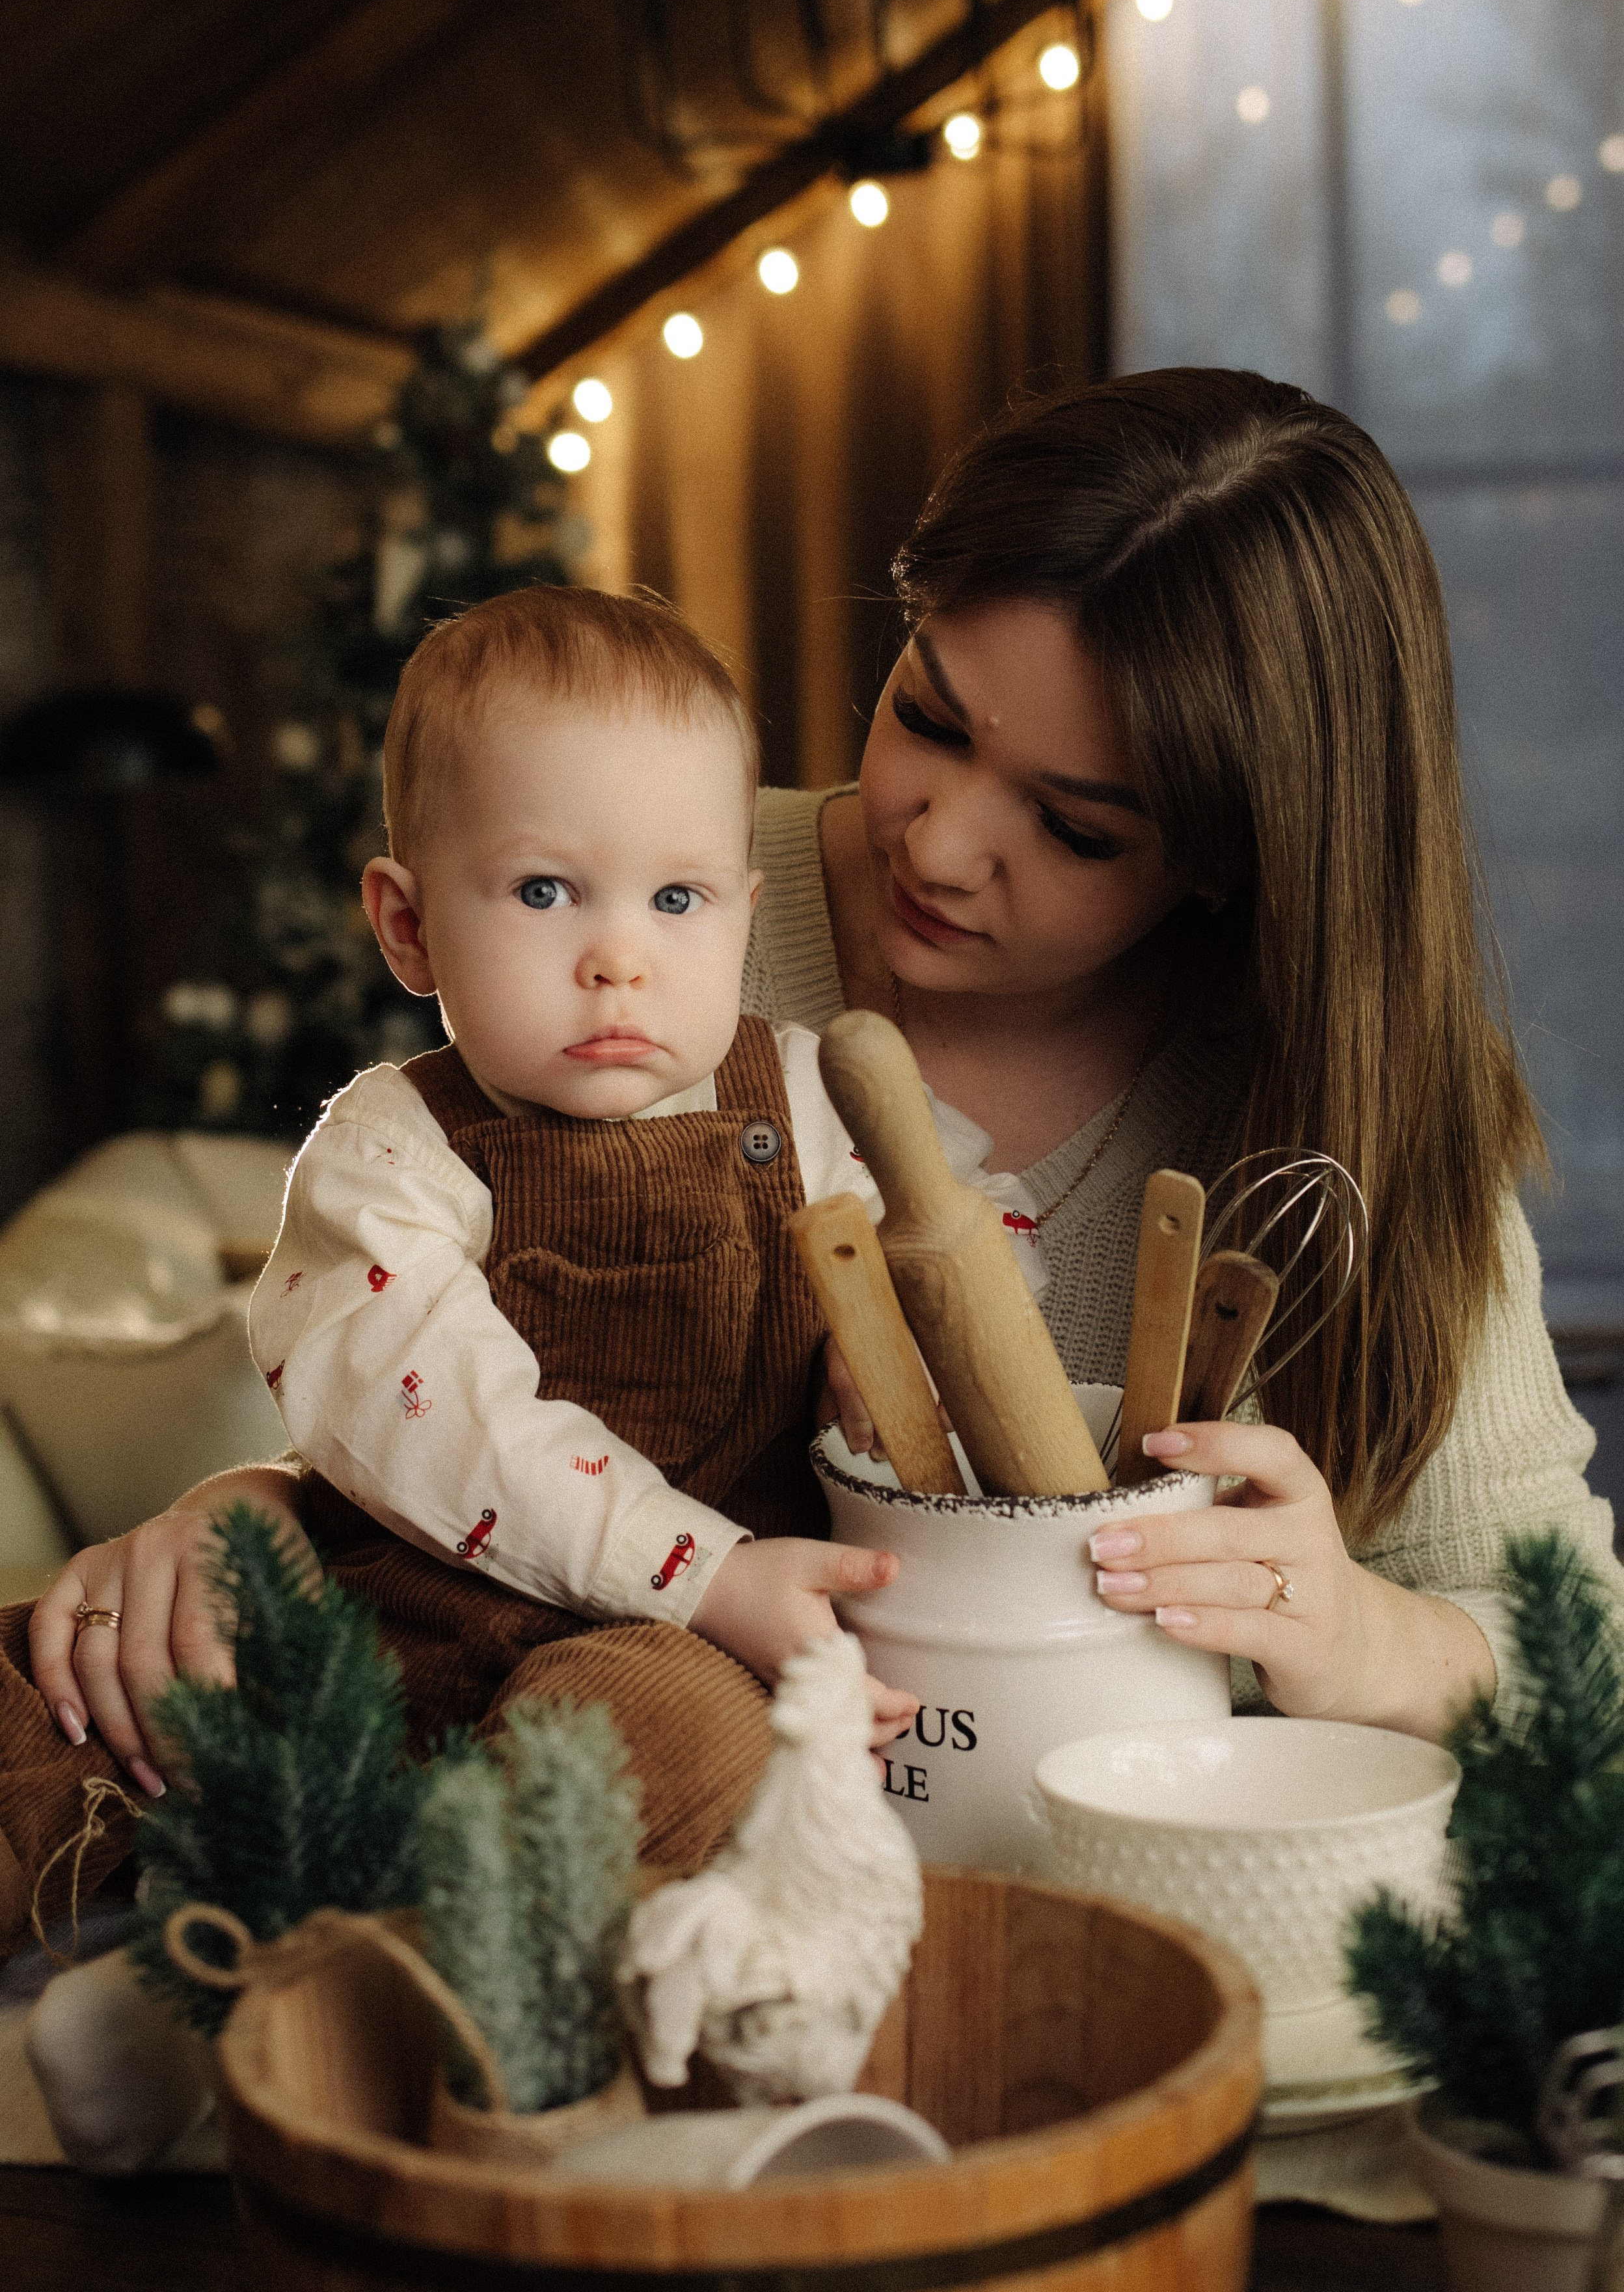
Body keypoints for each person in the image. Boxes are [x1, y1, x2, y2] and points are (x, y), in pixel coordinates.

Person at [18, 368, 1616, 1915]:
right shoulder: (643, 879)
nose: (939, 838)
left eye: (1074, 826)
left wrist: (1366, 1641)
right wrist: (263, 1503)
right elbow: (443, 1335)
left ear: (1235, 859)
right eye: (927, 713)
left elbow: (1579, 1662)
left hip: (1079, 1943)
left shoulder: (1354, 1115)